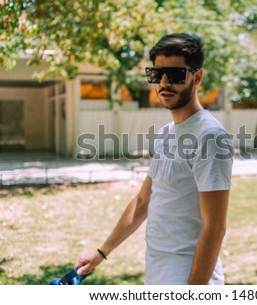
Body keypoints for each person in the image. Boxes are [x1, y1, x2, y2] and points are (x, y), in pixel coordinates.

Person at [75, 33, 234, 284]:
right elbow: (142, 202)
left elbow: (215, 228)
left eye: (175, 75)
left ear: (198, 77)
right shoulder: (166, 134)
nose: (163, 83)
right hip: (157, 271)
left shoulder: (210, 137)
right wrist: (100, 253)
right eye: (156, 75)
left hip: (189, 276)